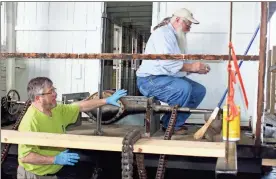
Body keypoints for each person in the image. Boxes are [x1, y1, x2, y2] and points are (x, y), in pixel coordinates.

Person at [17, 77, 127, 179]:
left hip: (53, 171)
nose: (55, 94)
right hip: (35, 175)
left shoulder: (55, 110)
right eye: (51, 92)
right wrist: (55, 159)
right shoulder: (30, 122)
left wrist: (106, 101)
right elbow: (25, 157)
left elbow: (80, 106)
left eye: (54, 89)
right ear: (38, 98)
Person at [136, 8, 210, 135]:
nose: (189, 28)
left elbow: (175, 66)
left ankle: (171, 122)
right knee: (183, 88)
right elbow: (167, 63)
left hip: (164, 77)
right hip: (149, 80)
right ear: (177, 20)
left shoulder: (176, 37)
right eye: (188, 24)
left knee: (199, 91)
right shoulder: (163, 34)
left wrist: (196, 69)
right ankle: (170, 125)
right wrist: (192, 67)